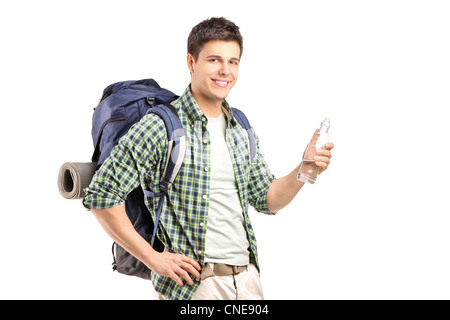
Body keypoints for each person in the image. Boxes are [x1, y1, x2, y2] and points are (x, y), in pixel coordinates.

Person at [83, 17, 334, 300]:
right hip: (193, 287)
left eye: (233, 61)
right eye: (214, 60)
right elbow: (101, 196)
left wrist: (304, 168)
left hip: (248, 280)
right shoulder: (161, 126)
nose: (225, 71)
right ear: (191, 63)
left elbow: (267, 198)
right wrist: (155, 259)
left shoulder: (240, 126)